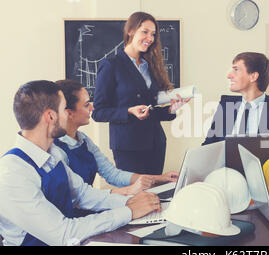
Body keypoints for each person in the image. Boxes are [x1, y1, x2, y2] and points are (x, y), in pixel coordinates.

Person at [0, 80, 161, 246]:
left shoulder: (53, 154)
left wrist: (130, 202)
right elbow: (64, 234)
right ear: (50, 116)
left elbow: (83, 194)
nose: (67, 115)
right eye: (64, 109)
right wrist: (128, 211)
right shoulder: (12, 173)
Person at [92, 11, 189, 175]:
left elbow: (149, 109)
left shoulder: (150, 66)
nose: (150, 38)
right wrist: (128, 111)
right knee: (136, 196)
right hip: (128, 146)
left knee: (153, 193)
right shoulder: (111, 65)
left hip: (155, 142)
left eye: (153, 34)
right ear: (130, 31)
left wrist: (171, 110)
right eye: (145, 32)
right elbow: (99, 112)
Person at [54, 79, 178, 197]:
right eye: (87, 105)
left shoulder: (83, 140)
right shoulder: (55, 150)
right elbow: (80, 197)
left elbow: (113, 174)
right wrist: (129, 190)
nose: (92, 108)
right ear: (69, 113)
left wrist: (162, 178)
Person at [202, 52, 269, 145]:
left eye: (236, 70)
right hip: (227, 161)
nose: (229, 76)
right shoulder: (226, 108)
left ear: (253, 76)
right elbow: (209, 146)